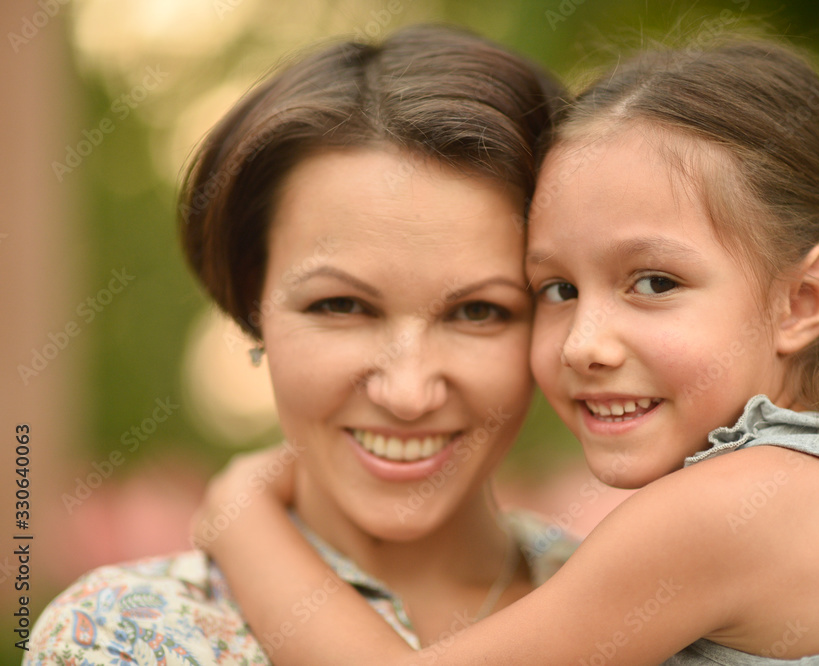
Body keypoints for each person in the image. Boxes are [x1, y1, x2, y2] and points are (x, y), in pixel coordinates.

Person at [195, 37, 819, 664]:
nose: (584, 343)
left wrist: (239, 513)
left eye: (653, 283)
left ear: (802, 300)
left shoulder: (748, 506)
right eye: (555, 290)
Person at [25, 24, 578, 665]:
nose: (407, 392)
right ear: (253, 308)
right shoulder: (127, 636)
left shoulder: (664, 619)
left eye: (480, 311)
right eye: (341, 306)